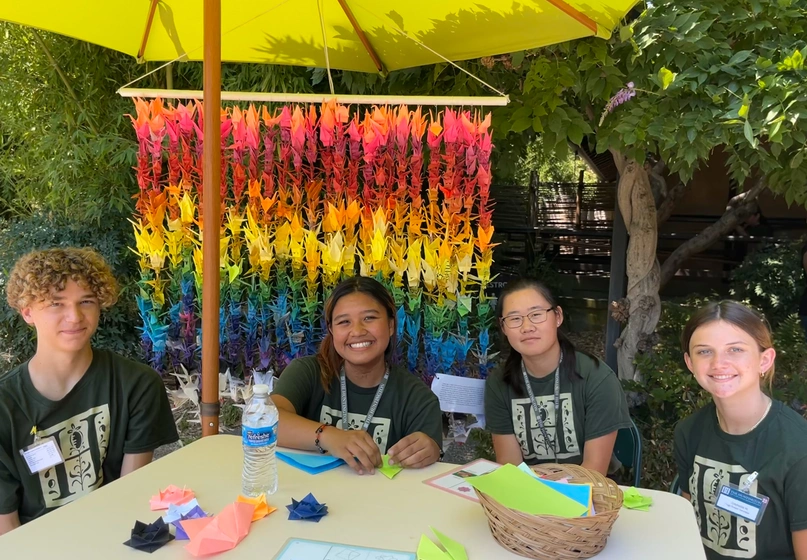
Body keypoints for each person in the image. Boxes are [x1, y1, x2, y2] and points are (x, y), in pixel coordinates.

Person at [0, 248, 178, 535]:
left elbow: (130, 494)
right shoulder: (6, 406)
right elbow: (6, 530)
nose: (75, 317)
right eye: (56, 304)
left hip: (115, 535)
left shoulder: (137, 384)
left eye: (86, 301)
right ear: (27, 312)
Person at [674, 300, 807, 560]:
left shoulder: (797, 448)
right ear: (690, 363)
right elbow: (689, 523)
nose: (718, 363)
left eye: (735, 349)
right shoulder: (690, 431)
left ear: (764, 360)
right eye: (704, 351)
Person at [271, 276, 442, 475]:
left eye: (369, 318)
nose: (357, 331)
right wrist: (328, 436)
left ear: (391, 325)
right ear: (331, 331)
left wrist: (428, 450)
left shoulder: (418, 399)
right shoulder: (308, 372)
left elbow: (425, 476)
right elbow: (267, 421)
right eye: (344, 322)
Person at [484, 278, 632, 474]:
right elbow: (511, 467)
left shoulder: (597, 379)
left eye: (536, 314)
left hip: (587, 494)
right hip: (527, 495)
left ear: (558, 316)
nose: (527, 326)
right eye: (514, 318)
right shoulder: (499, 383)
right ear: (503, 328)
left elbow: (594, 472)